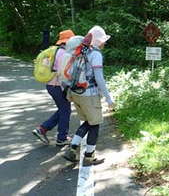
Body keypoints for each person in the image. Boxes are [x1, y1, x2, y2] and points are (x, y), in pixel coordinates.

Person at [63, 25, 114, 166]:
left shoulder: (81, 51)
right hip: (89, 95)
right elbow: (99, 79)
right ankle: (89, 157)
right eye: (103, 40)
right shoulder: (95, 54)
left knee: (88, 122)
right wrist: (109, 99)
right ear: (98, 41)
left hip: (75, 93)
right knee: (95, 124)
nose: (105, 42)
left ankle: (72, 148)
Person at [32, 29, 75, 146]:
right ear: (67, 42)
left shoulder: (53, 51)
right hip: (58, 86)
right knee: (65, 110)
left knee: (63, 109)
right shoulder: (63, 54)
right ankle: (62, 138)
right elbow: (64, 73)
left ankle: (42, 129)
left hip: (51, 85)